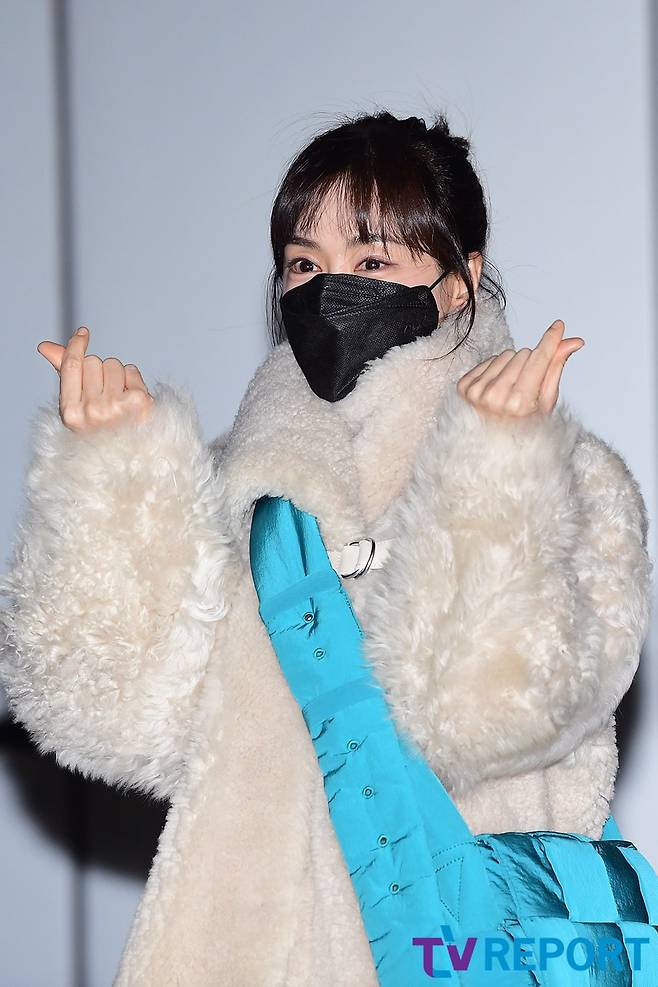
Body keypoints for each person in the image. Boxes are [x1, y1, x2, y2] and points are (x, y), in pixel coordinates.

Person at [0, 110, 652, 986]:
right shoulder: (236, 482)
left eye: (371, 261)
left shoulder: (567, 479)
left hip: (463, 952)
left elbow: (491, 720)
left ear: (461, 280)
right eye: (304, 264)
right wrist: (116, 480)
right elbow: (111, 716)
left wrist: (497, 476)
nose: (328, 287)